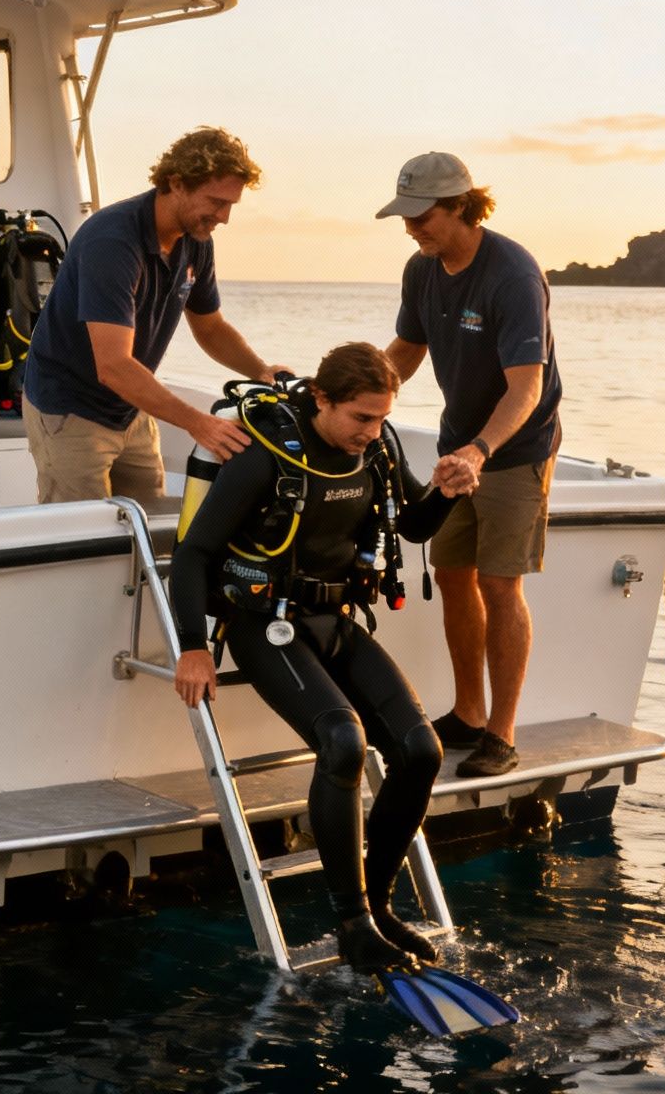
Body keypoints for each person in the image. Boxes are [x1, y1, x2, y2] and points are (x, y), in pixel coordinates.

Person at [169, 343, 475, 972]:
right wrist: (194, 647)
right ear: (322, 400)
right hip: (264, 625)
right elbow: (194, 552)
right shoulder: (264, 457)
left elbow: (414, 525)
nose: (372, 431)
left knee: (421, 750)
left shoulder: (379, 446)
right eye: (360, 418)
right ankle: (351, 921)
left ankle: (381, 907)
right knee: (343, 742)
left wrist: (446, 490)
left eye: (381, 418)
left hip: (334, 619)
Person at [377, 152, 563, 779]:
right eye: (405, 216)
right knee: (452, 573)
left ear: (460, 205)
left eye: (422, 216)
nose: (411, 228)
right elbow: (406, 349)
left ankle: (501, 738)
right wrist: (350, 398)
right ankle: (467, 714)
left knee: (499, 584)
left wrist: (481, 451)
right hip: (458, 446)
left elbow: (526, 389)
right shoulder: (421, 268)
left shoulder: (511, 273)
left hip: (514, 450)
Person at [22, 127, 285, 503]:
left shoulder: (197, 242)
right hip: (70, 409)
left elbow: (211, 329)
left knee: (147, 526)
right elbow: (112, 366)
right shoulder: (112, 242)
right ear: (176, 183)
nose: (223, 217)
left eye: (231, 205)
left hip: (131, 409)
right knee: (83, 538)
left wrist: (260, 371)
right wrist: (199, 424)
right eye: (215, 201)